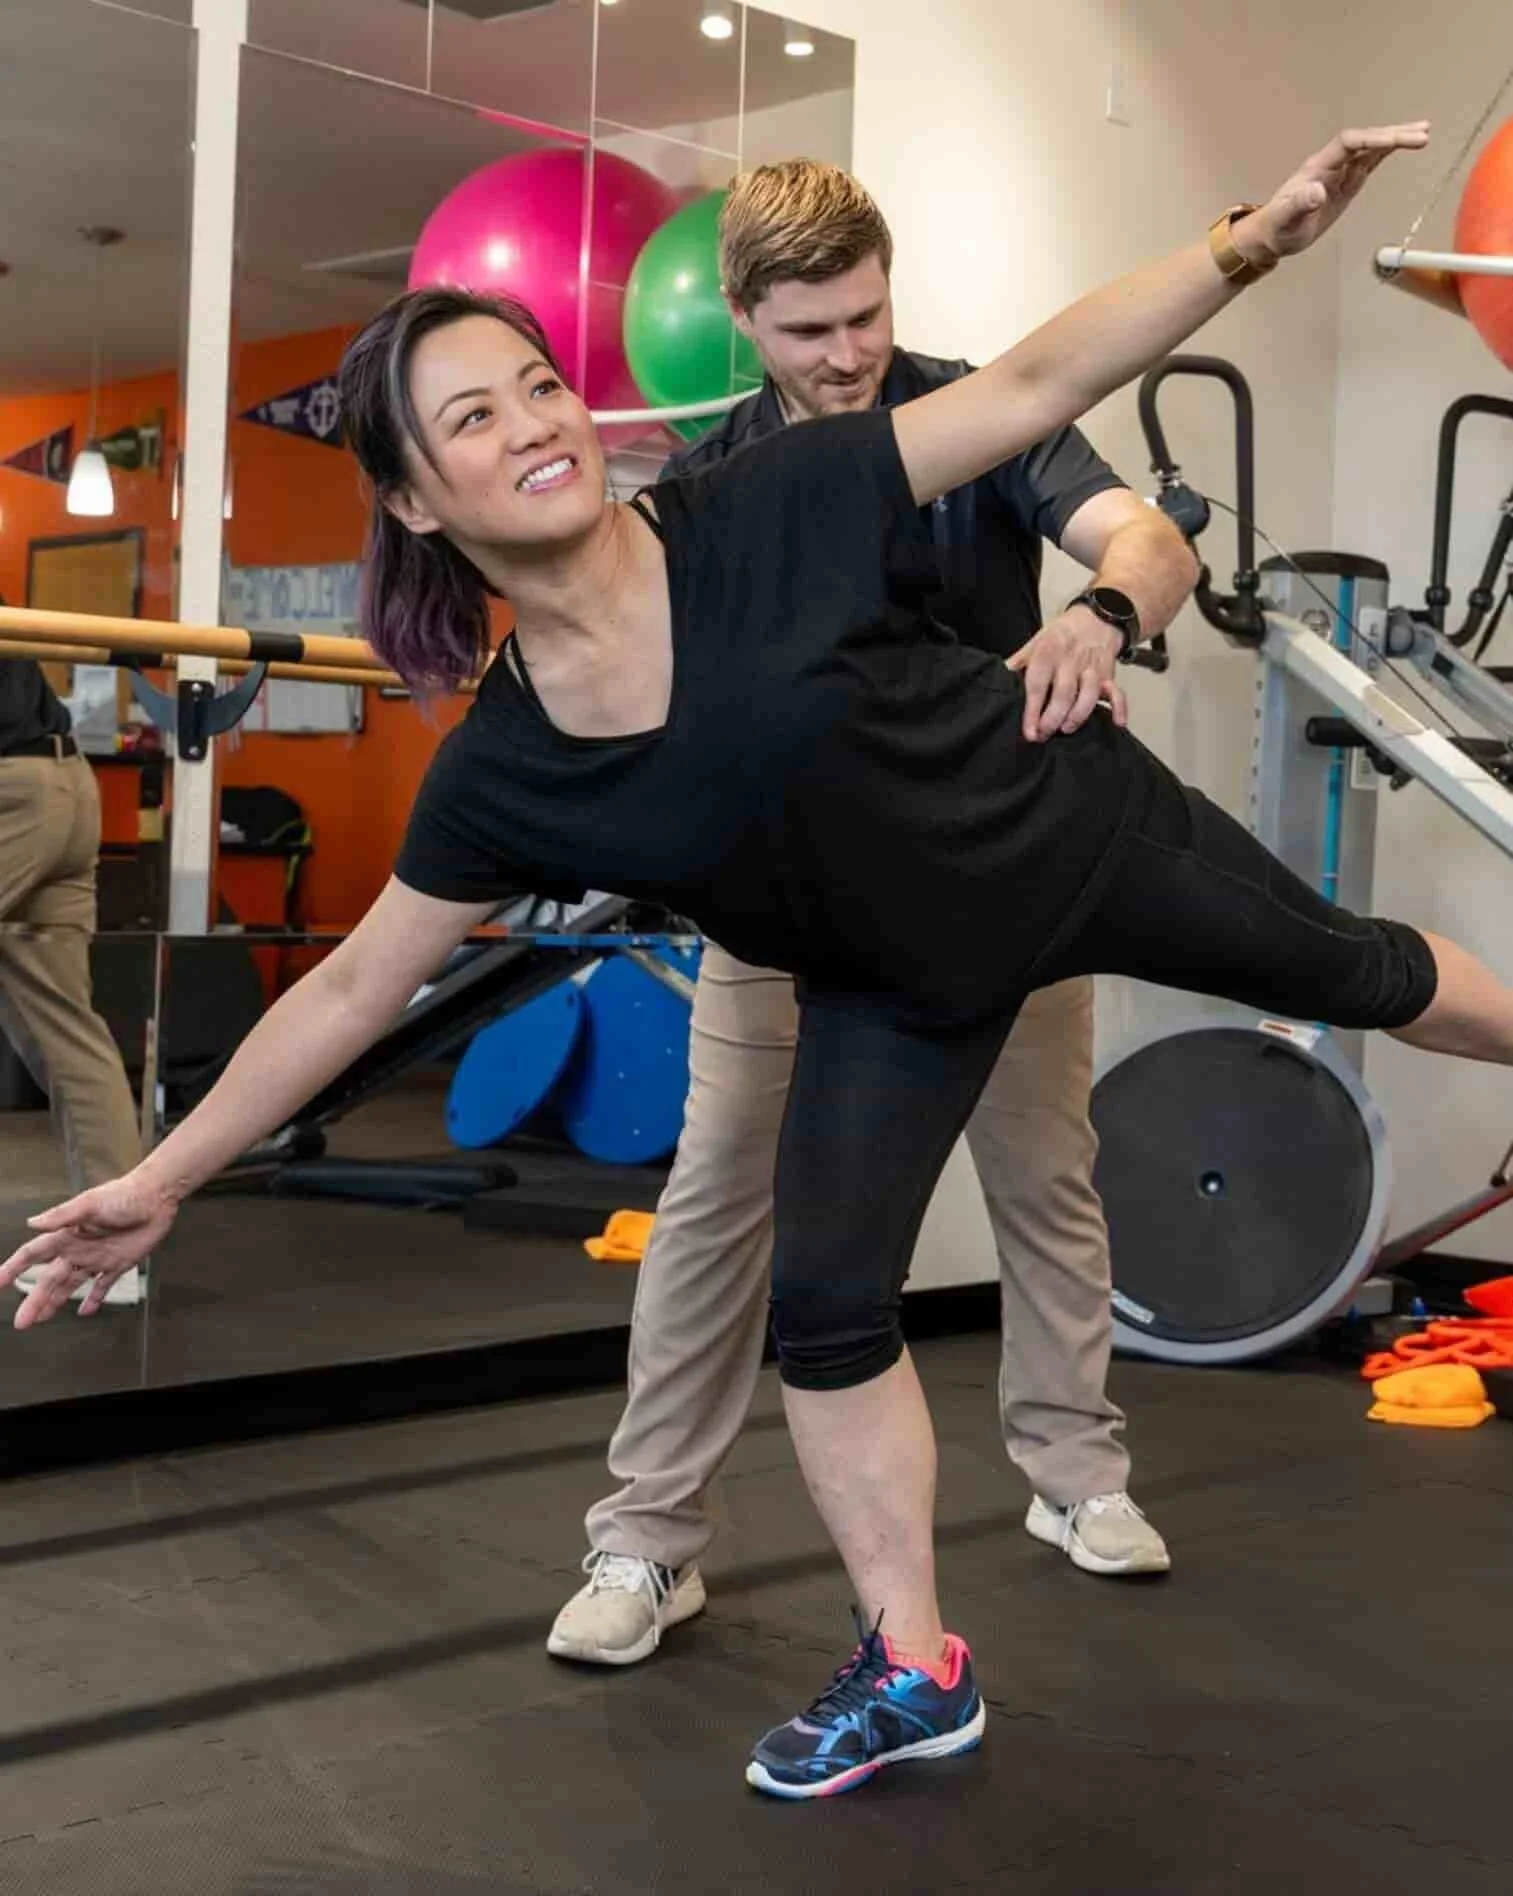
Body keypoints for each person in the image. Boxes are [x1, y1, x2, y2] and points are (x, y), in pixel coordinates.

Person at [4, 126, 1474, 1805]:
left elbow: (1052, 386)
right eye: (471, 416)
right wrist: (164, 1177)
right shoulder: (507, 759)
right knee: (818, 1291)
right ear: (414, 498)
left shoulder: (774, 494)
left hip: (1046, 833)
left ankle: (1075, 1472)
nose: (533, 421)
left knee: (1349, 978)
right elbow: (353, 990)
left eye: (537, 385)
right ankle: (894, 1654)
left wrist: (1250, 241)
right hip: (860, 967)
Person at [549, 161, 1196, 1673]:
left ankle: (1075, 1478)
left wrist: (1101, 612)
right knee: (714, 1205)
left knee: (1046, 1177)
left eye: (864, 316)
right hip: (792, 906)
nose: (844, 355)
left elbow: (1147, 540)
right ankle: (647, 1542)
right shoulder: (709, 490)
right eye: (807, 332)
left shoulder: (974, 411)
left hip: (995, 875)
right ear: (743, 322)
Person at [0, 651, 142, 1306]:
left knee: (65, 1031)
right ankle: (110, 1251)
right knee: (64, 1032)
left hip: (10, 793)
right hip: (66, 785)